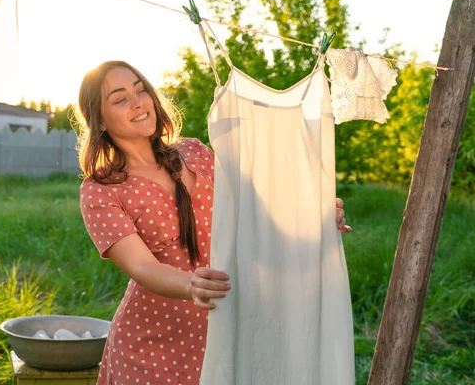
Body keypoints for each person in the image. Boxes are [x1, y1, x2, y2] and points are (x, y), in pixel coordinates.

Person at [76, 60, 352, 385]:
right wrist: (190, 283)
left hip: (223, 333)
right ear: (100, 120)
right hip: (149, 348)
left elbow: (256, 214)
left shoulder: (194, 152)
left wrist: (313, 218)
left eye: (141, 90)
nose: (138, 102)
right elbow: (141, 266)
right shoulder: (101, 189)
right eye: (120, 99)